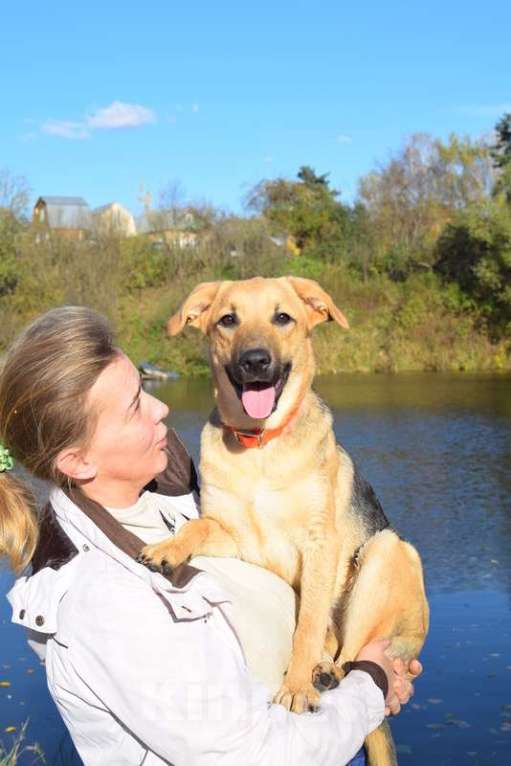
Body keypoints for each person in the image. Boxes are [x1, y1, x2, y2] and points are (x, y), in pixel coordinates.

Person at [0, 306, 422, 766]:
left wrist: (363, 665)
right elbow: (255, 756)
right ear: (78, 462)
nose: (163, 408)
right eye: (136, 407)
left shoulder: (168, 501)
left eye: (145, 391)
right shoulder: (103, 603)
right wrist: (369, 685)